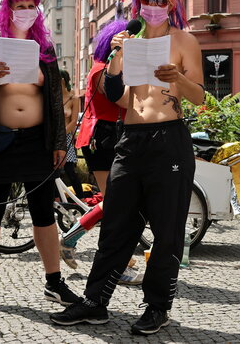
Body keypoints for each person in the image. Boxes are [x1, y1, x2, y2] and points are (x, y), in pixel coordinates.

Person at [50, 0, 204, 335]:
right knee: (116, 225)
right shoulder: (130, 42)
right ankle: (95, 303)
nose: (153, 7)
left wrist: (176, 79)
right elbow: (116, 98)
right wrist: (117, 57)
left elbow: (199, 97)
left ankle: (157, 307)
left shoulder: (185, 41)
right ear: (138, 4)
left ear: (172, 5)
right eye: (147, 0)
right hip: (130, 140)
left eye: (161, 0)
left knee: (167, 230)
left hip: (169, 139)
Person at [0, 0, 79, 315]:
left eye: (31, 5)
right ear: (7, 8)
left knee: (43, 214)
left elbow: (55, 99)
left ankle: (54, 283)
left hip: (36, 142)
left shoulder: (45, 47)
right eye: (19, 5)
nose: (25, 12)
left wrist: (58, 142)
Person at [58, 19, 143, 286]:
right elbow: (122, 100)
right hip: (102, 138)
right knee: (119, 205)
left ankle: (73, 238)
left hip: (106, 137)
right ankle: (119, 264)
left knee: (118, 202)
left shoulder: (103, 67)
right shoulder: (102, 69)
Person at [58, 69, 83, 199]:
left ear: (62, 80)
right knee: (53, 172)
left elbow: (74, 121)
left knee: (69, 170)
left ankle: (82, 199)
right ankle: (56, 200)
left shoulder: (74, 98)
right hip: (53, 137)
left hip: (65, 137)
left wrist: (61, 135)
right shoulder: (53, 96)